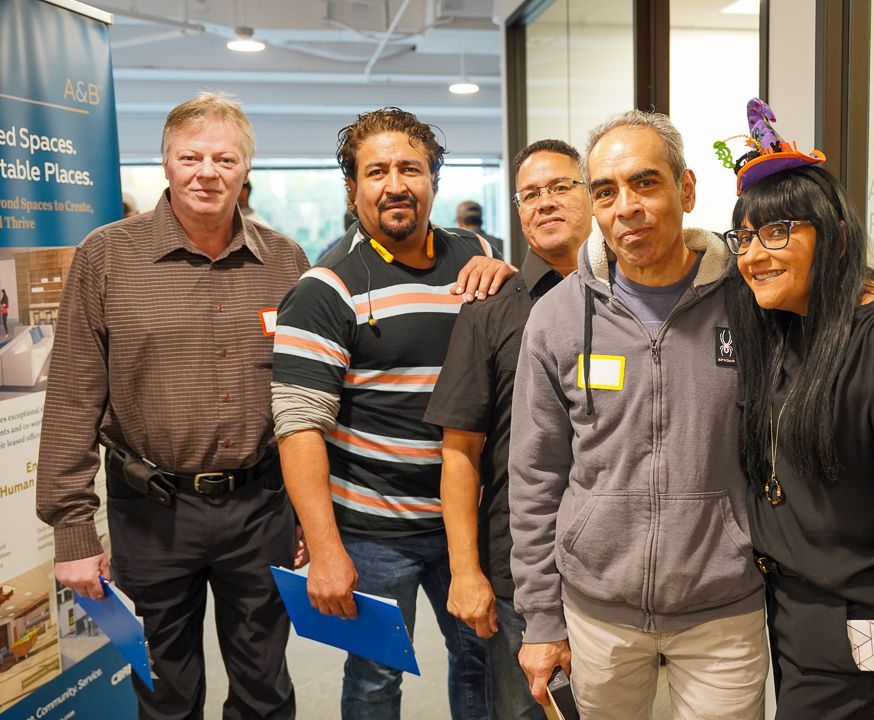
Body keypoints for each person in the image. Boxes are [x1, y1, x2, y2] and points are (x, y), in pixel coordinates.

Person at [36, 92, 309, 720]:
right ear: (165, 162)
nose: (207, 172)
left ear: (245, 169)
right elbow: (73, 397)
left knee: (266, 690)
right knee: (165, 694)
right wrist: (72, 530)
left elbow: (306, 398)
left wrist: (308, 512)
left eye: (224, 159)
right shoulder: (106, 256)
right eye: (191, 157)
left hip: (261, 508)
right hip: (151, 513)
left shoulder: (285, 261)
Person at [717, 98, 874, 719]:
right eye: (744, 237)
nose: (754, 255)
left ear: (832, 236)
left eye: (778, 232)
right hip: (789, 611)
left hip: (860, 626)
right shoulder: (788, 322)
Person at [509, 110, 769, 719]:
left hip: (723, 609)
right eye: (606, 192)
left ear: (686, 189)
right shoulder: (557, 318)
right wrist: (541, 618)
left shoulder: (751, 303)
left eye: (645, 183)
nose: (626, 207)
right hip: (597, 610)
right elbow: (535, 477)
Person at [271, 106, 515, 720]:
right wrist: (326, 549)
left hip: (469, 522)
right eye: (376, 171)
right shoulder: (325, 288)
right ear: (352, 187)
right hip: (373, 530)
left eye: (411, 168)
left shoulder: (478, 255)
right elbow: (298, 427)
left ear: (434, 179)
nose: (395, 184)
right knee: (374, 679)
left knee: (483, 660)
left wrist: (508, 273)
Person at [424, 139, 592, 719]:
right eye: (530, 194)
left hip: (616, 572)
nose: (544, 202)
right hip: (520, 568)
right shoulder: (491, 308)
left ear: (592, 195)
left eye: (560, 187)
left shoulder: (634, 301)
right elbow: (459, 450)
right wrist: (465, 570)